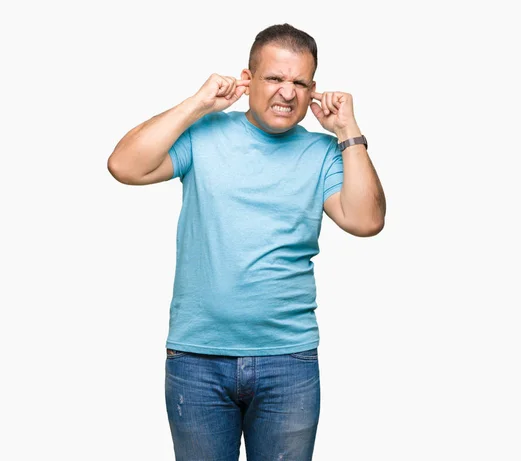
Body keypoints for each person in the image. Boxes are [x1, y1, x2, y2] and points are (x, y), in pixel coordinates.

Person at [108, 23, 385, 461]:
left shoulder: (323, 153)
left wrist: (349, 132)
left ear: (313, 91)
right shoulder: (205, 133)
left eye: (300, 82)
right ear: (248, 79)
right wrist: (198, 104)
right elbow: (125, 166)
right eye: (275, 78)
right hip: (197, 358)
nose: (287, 93)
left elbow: (366, 221)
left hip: (287, 361)